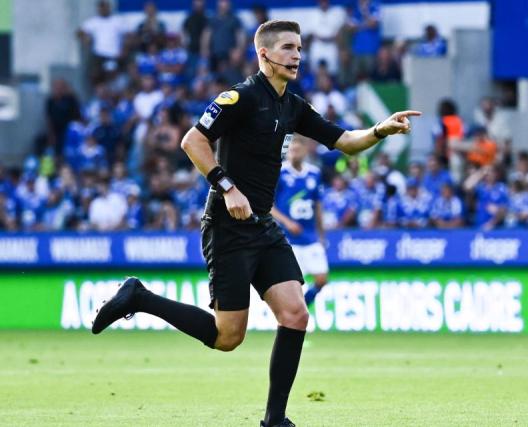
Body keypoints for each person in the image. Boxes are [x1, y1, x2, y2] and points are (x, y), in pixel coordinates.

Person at [91, 20, 420, 427]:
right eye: (287, 47)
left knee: (296, 314)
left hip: (263, 225)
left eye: (299, 47)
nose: (296, 55)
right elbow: (192, 141)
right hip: (227, 225)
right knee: (228, 337)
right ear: (264, 54)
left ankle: (275, 419)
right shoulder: (240, 98)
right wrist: (227, 187)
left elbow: (346, 142)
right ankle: (138, 298)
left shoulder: (293, 105)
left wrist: (380, 129)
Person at [271, 138, 329, 306]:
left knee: (321, 279)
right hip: (288, 238)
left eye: (298, 147)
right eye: (292, 148)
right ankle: (292, 313)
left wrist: (321, 233)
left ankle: (301, 306)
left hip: (310, 235)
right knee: (293, 284)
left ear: (305, 150)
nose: (294, 150)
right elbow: (268, 205)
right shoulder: (279, 173)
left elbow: (317, 205)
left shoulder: (314, 173)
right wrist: (287, 223)